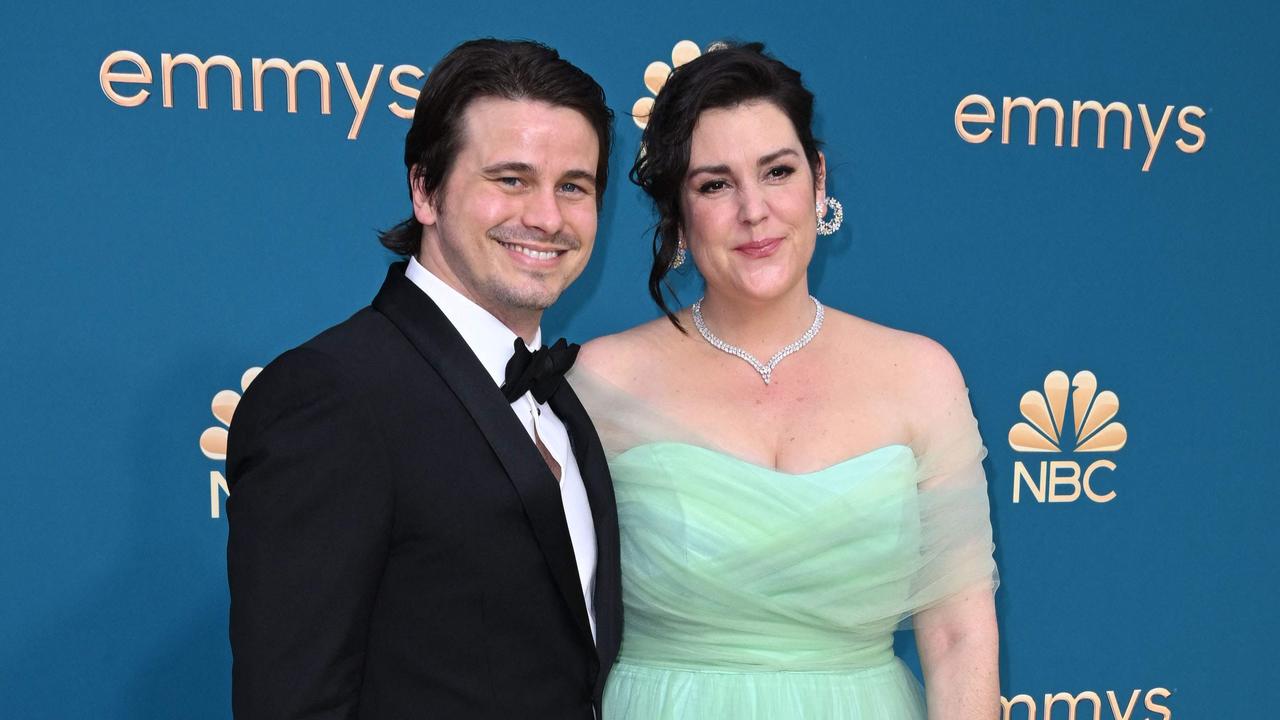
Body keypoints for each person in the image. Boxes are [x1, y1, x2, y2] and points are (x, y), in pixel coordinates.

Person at [574, 43, 999, 719]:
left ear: (819, 178)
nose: (754, 210)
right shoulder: (599, 380)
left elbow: (956, 633)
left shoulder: (920, 375)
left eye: (777, 172)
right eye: (715, 184)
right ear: (677, 215)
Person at [225, 39, 622, 719]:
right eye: (511, 179)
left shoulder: (563, 399)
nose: (547, 217)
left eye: (573, 187)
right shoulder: (332, 395)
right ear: (425, 190)